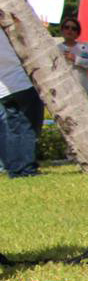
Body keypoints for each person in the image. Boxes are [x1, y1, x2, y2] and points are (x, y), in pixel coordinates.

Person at [0, 30, 43, 178]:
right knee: (28, 127)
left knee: (13, 130)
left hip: (4, 90)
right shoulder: (5, 32)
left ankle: (14, 169)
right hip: (22, 83)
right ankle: (27, 169)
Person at [57, 18, 88, 98]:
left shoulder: (85, 46)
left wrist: (76, 59)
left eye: (74, 29)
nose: (70, 30)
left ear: (77, 34)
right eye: (66, 27)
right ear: (62, 31)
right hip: (65, 93)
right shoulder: (56, 49)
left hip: (84, 91)